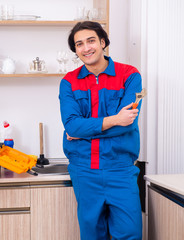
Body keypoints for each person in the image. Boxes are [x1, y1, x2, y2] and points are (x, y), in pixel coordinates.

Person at [59, 21, 142, 240]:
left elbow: (129, 123)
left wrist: (84, 130)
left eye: (91, 40)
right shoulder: (68, 82)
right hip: (84, 171)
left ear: (103, 42)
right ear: (75, 50)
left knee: (130, 233)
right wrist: (116, 120)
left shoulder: (130, 75)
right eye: (79, 44)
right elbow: (72, 126)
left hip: (121, 170)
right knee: (92, 235)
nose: (86, 48)